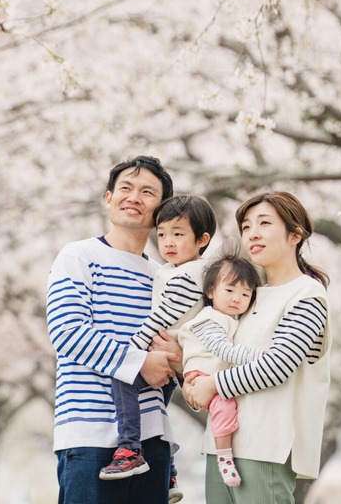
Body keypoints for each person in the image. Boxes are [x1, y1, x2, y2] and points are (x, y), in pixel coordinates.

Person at [47, 156, 182, 504]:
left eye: (147, 192)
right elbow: (66, 332)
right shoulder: (78, 256)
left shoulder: (163, 277)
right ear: (108, 198)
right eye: (126, 188)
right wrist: (139, 363)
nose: (134, 197)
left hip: (152, 439)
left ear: (161, 210)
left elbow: (180, 345)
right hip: (88, 434)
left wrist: (177, 360)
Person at [183, 191, 331, 504]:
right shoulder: (244, 296)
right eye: (247, 226)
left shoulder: (306, 295)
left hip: (266, 448)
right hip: (219, 446)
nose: (253, 233)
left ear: (295, 234)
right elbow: (213, 350)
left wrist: (212, 385)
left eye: (264, 223)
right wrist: (193, 381)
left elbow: (277, 367)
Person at [100, 195, 219, 501]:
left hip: (180, 354)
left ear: (202, 239)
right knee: (156, 408)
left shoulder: (191, 274)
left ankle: (129, 449)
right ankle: (168, 473)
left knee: (123, 378)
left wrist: (133, 349)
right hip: (177, 355)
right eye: (162, 233)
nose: (168, 242)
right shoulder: (173, 269)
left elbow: (162, 314)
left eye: (178, 234)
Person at [176, 254, 264, 489]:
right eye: (230, 290)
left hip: (210, 375)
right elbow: (222, 350)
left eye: (245, 294)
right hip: (204, 374)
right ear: (211, 291)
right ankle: (225, 458)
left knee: (224, 408)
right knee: (225, 407)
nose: (237, 299)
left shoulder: (227, 319)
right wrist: (258, 357)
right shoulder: (209, 319)